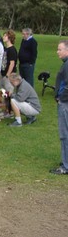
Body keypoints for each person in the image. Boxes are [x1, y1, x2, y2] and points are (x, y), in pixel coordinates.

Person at [51, 40, 68, 174]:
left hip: (65, 104)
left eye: (60, 49)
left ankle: (65, 166)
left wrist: (61, 98)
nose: (57, 52)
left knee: (65, 134)